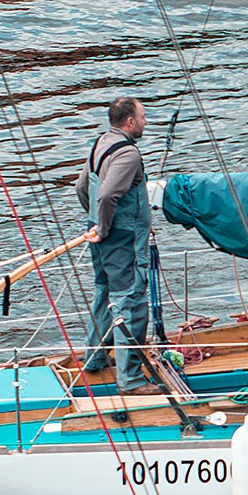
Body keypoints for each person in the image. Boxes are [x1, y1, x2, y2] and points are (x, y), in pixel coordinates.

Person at [75, 96, 152, 394]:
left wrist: (95, 224)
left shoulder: (100, 143)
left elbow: (82, 187)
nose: (145, 122)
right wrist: (106, 227)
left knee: (104, 292)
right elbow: (107, 195)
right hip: (123, 239)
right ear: (130, 122)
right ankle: (131, 380)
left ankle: (94, 358)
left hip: (99, 236)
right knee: (130, 301)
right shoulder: (129, 155)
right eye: (143, 117)